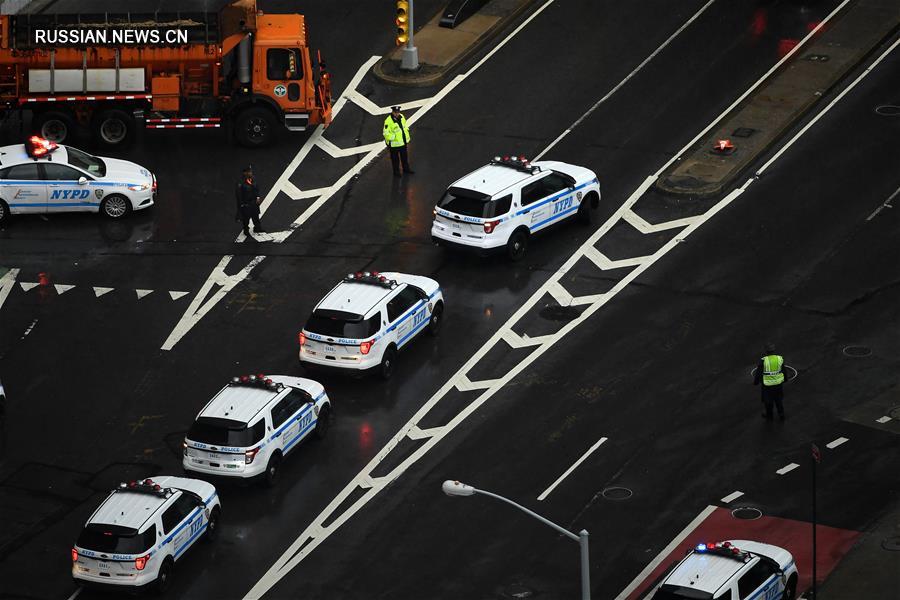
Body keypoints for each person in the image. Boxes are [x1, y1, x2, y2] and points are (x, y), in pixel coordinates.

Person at [753, 343, 786, 421]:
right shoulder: (779, 358)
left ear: (766, 351)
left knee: (768, 401)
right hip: (778, 384)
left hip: (767, 386)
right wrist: (785, 379)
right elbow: (783, 370)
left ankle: (769, 416)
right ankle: (781, 414)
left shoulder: (764, 361)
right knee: (778, 400)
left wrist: (756, 382)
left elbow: (759, 373)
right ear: (774, 351)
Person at [383, 105, 414, 177]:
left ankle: (406, 169)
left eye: (398, 112)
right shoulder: (388, 121)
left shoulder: (402, 117)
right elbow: (385, 133)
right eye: (395, 112)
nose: (397, 113)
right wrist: (393, 137)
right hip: (394, 145)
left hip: (403, 143)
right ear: (392, 112)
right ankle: (396, 172)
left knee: (404, 157)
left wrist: (406, 138)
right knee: (395, 159)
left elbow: (404, 127)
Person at [235, 166, 264, 237]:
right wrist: (241, 204)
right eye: (249, 172)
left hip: (254, 202)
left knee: (256, 216)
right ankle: (246, 230)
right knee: (246, 218)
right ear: (245, 173)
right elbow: (239, 194)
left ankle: (257, 228)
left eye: (251, 171)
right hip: (246, 203)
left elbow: (257, 188)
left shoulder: (253, 179)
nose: (251, 173)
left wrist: (258, 197)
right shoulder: (240, 182)